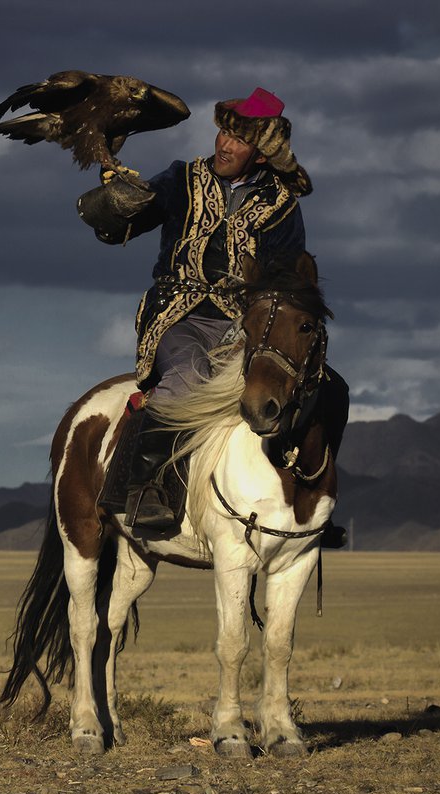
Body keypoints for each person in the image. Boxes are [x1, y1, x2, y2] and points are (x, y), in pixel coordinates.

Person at [76, 87, 324, 538]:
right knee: (187, 377)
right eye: (223, 134)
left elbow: (287, 281)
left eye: (239, 140)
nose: (225, 145)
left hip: (245, 323)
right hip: (179, 313)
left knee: (299, 385)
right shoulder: (183, 179)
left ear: (263, 155)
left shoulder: (283, 206)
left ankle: (307, 504)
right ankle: (150, 489)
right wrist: (117, 205)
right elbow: (134, 215)